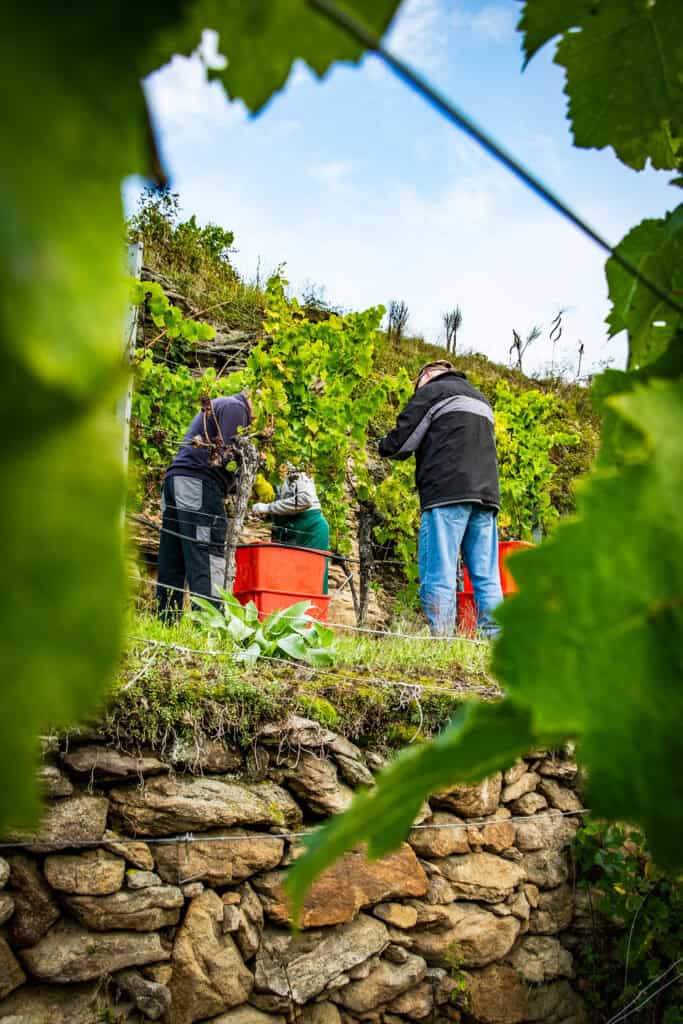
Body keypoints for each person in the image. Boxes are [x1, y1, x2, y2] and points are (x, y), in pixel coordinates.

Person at [378, 360, 502, 636]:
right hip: (486, 496)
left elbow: (401, 443)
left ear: (426, 376)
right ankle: (496, 642)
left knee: (440, 572)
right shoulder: (481, 398)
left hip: (446, 493)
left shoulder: (433, 392)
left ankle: (441, 640)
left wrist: (382, 445)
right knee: (486, 576)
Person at [156, 391, 252, 617]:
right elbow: (223, 456)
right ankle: (209, 625)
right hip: (197, 485)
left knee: (173, 556)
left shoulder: (221, 404)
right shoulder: (236, 409)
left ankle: (165, 621)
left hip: (174, 481)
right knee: (207, 553)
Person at [252, 465, 330, 593]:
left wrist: (268, 508)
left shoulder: (292, 465)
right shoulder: (265, 468)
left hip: (310, 529)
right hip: (289, 530)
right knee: (285, 584)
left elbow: (305, 500)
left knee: (309, 585)